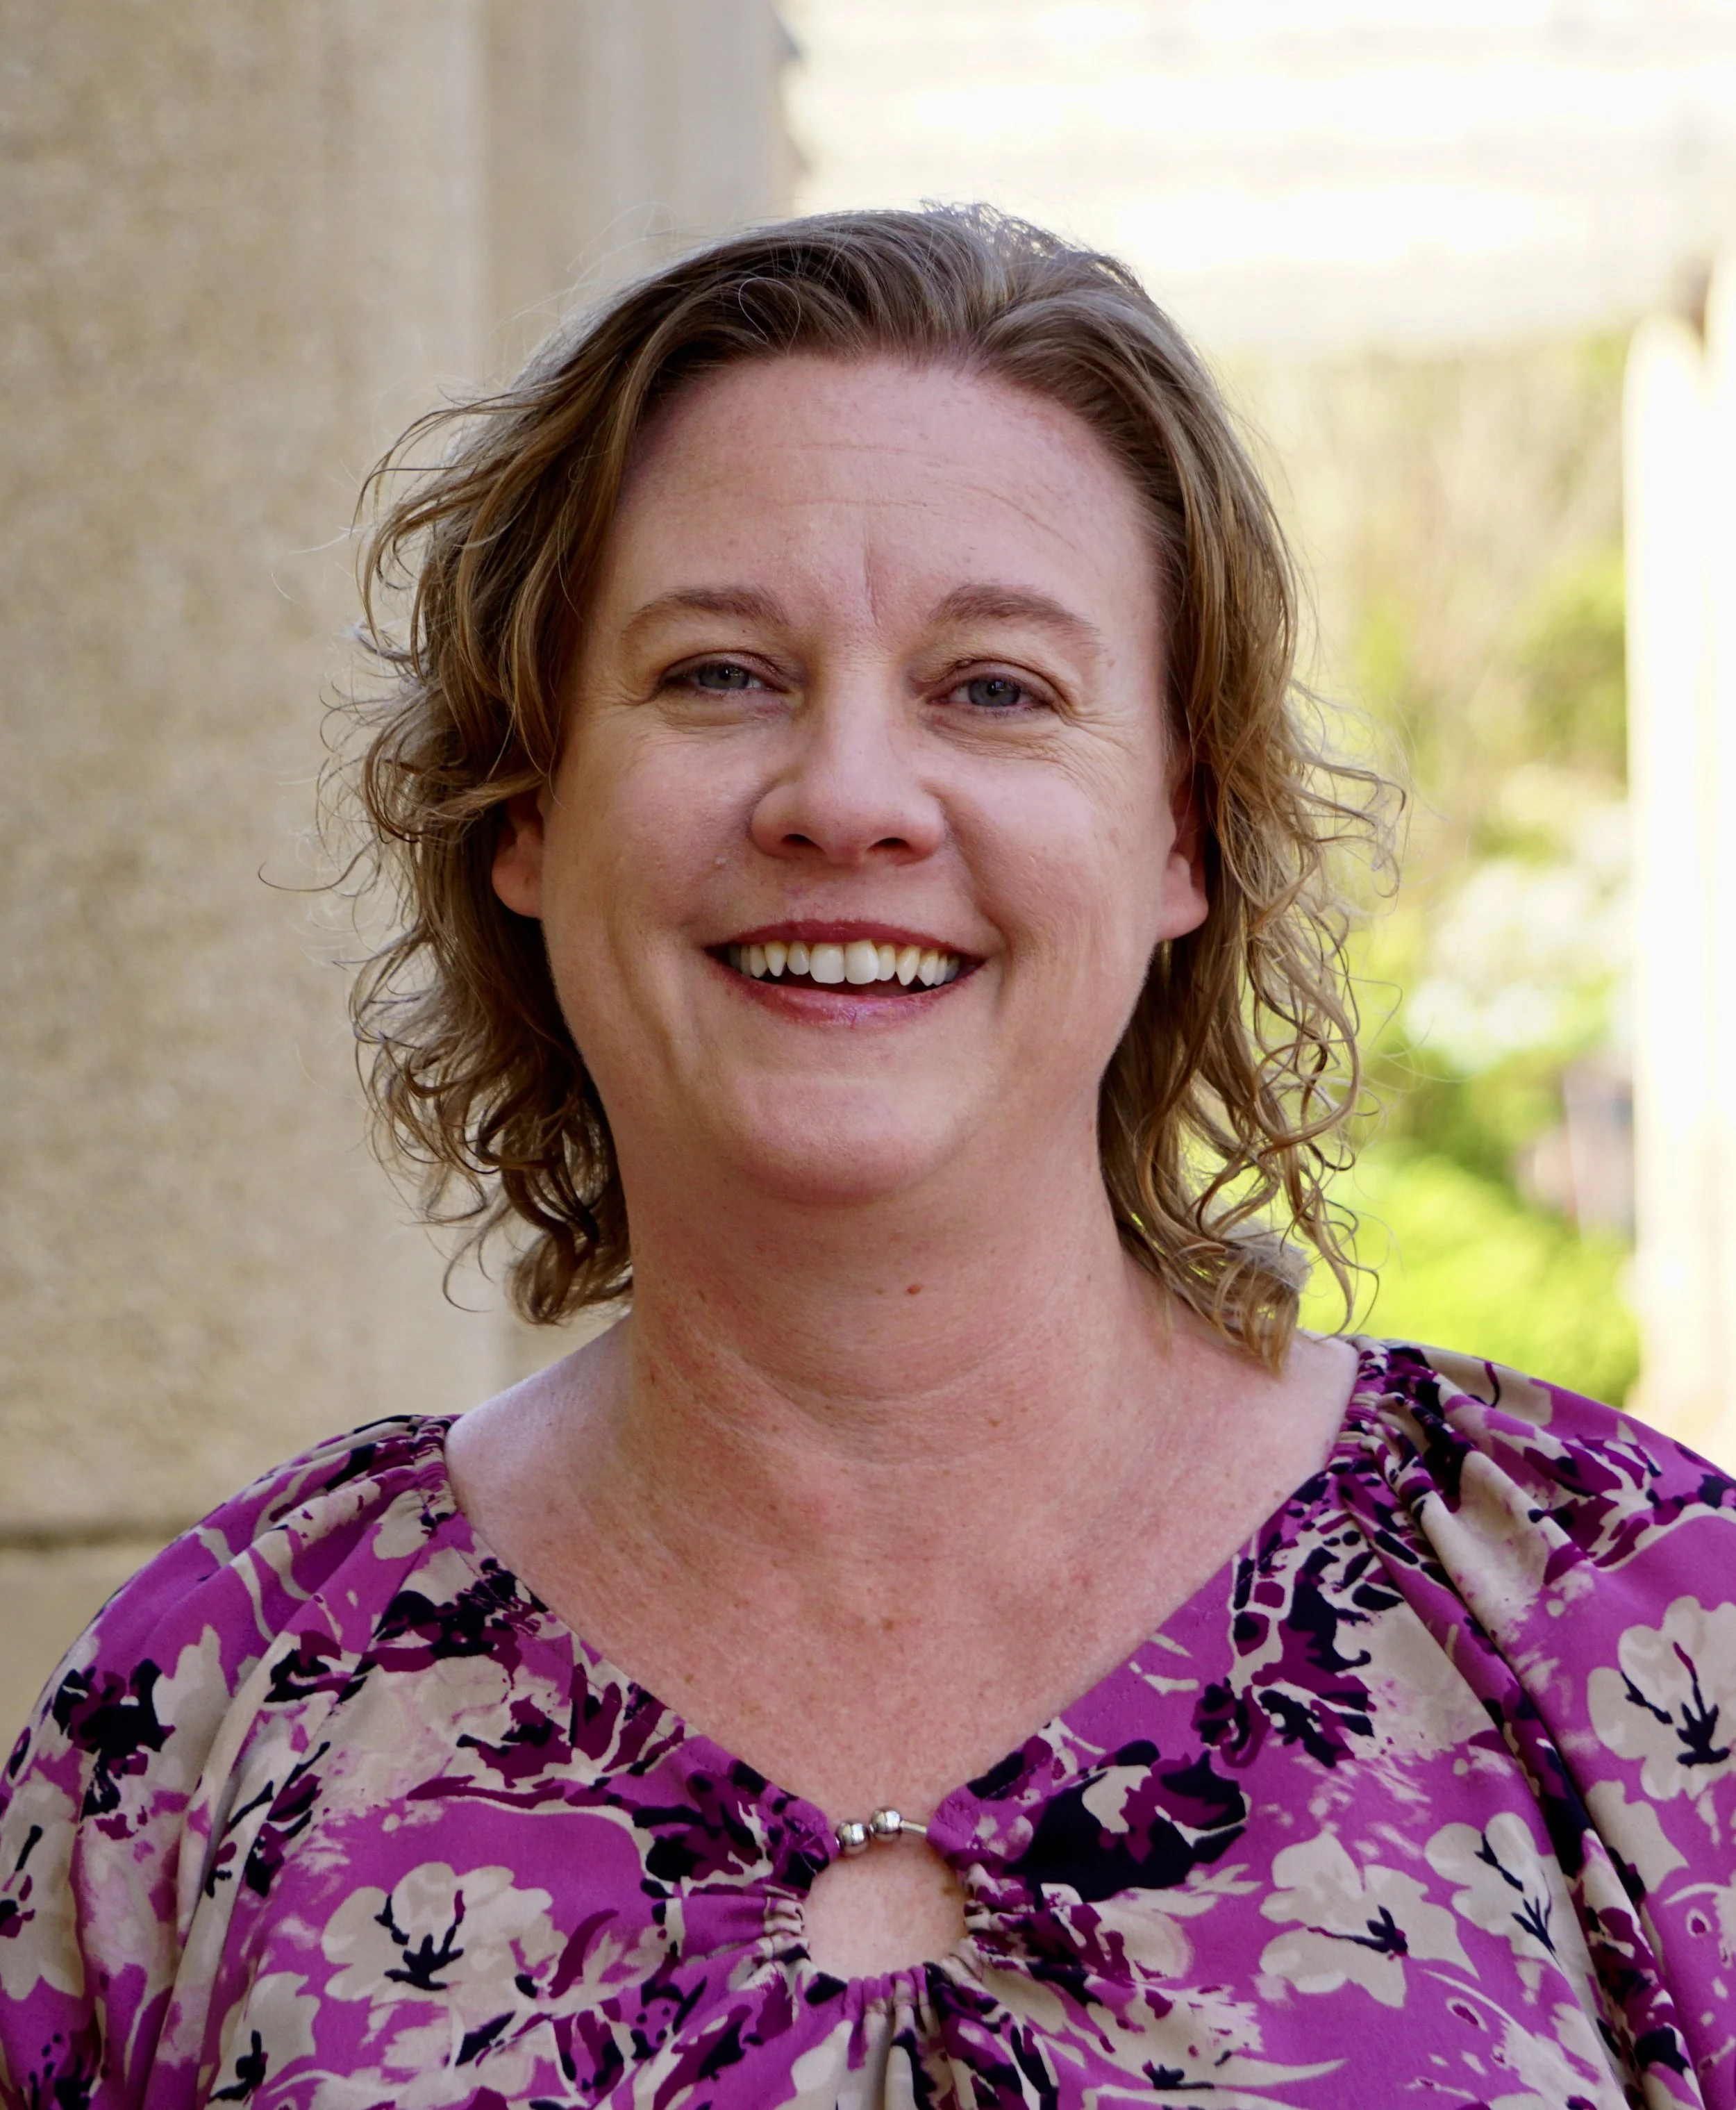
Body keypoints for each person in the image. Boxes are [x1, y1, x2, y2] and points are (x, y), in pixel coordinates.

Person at [1, 207, 1731, 2110]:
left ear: (1180, 834)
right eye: (718, 673)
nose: (843, 797)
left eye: (994, 686)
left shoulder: (1630, 1636)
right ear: (525, 806)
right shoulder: (206, 1715)